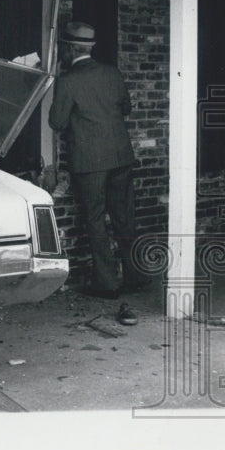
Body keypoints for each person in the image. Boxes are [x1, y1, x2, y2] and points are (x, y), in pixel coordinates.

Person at [48, 22, 147, 314]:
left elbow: (57, 123)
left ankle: (106, 283)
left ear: (68, 49)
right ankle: (135, 275)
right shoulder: (112, 73)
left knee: (94, 219)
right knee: (123, 217)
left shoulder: (67, 81)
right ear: (90, 48)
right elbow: (126, 108)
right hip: (120, 156)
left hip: (90, 161)